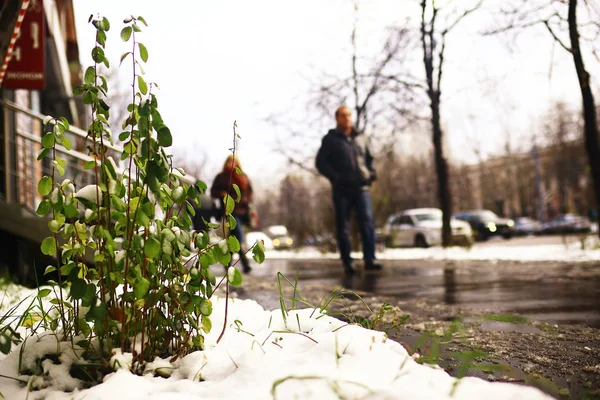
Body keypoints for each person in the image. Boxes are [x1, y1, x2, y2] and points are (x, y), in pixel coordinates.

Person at [316, 105, 382, 274]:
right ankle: (347, 262)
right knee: (343, 226)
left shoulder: (361, 137)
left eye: (349, 116)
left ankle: (370, 259)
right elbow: (321, 163)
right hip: (342, 190)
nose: (347, 119)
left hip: (362, 187)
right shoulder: (330, 139)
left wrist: (371, 173)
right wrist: (336, 177)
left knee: (367, 223)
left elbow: (370, 158)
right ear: (337, 118)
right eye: (344, 116)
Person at [210, 155, 253, 273]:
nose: (231, 163)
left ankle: (228, 264)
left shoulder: (243, 176)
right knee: (237, 237)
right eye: (229, 161)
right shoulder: (221, 177)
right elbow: (213, 192)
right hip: (228, 211)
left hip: (241, 211)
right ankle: (245, 265)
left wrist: (244, 200)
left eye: (233, 161)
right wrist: (222, 194)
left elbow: (249, 192)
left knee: (233, 239)